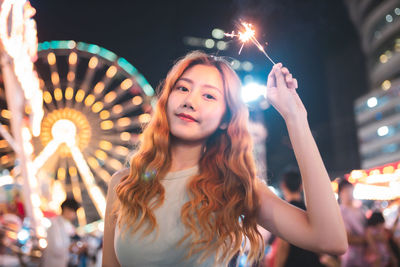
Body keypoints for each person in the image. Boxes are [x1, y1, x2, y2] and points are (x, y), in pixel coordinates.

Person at [103, 51, 348, 267]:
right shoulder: (124, 184)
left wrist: (295, 117)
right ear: (166, 100)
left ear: (224, 120)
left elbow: (329, 239)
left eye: (209, 96)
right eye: (182, 88)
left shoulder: (234, 187)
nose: (190, 101)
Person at [273, 170, 324, 267]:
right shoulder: (309, 212)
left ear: (283, 185)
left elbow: (283, 247)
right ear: (301, 186)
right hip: (312, 262)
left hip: (293, 262)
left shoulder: (284, 212)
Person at [40, 198, 82, 267]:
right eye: (74, 211)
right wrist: (71, 248)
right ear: (66, 210)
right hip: (54, 263)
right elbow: (56, 249)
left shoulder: (68, 225)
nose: (75, 215)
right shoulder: (55, 225)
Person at [338, 179, 367, 267]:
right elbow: (347, 238)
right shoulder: (340, 212)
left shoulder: (360, 210)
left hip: (364, 256)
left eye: (351, 190)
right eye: (346, 191)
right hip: (350, 258)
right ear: (340, 193)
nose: (349, 194)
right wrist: (369, 239)